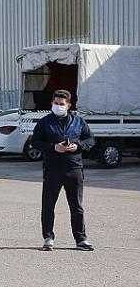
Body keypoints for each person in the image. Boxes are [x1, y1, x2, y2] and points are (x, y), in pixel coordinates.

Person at [31, 89, 94, 251]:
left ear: (69, 105)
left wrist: (78, 145)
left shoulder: (79, 122)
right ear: (52, 103)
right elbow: (36, 142)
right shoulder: (44, 122)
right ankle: (48, 238)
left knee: (77, 206)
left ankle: (81, 239)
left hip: (74, 169)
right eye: (56, 103)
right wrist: (53, 147)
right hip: (52, 170)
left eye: (62, 104)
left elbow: (90, 140)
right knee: (48, 205)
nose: (58, 106)